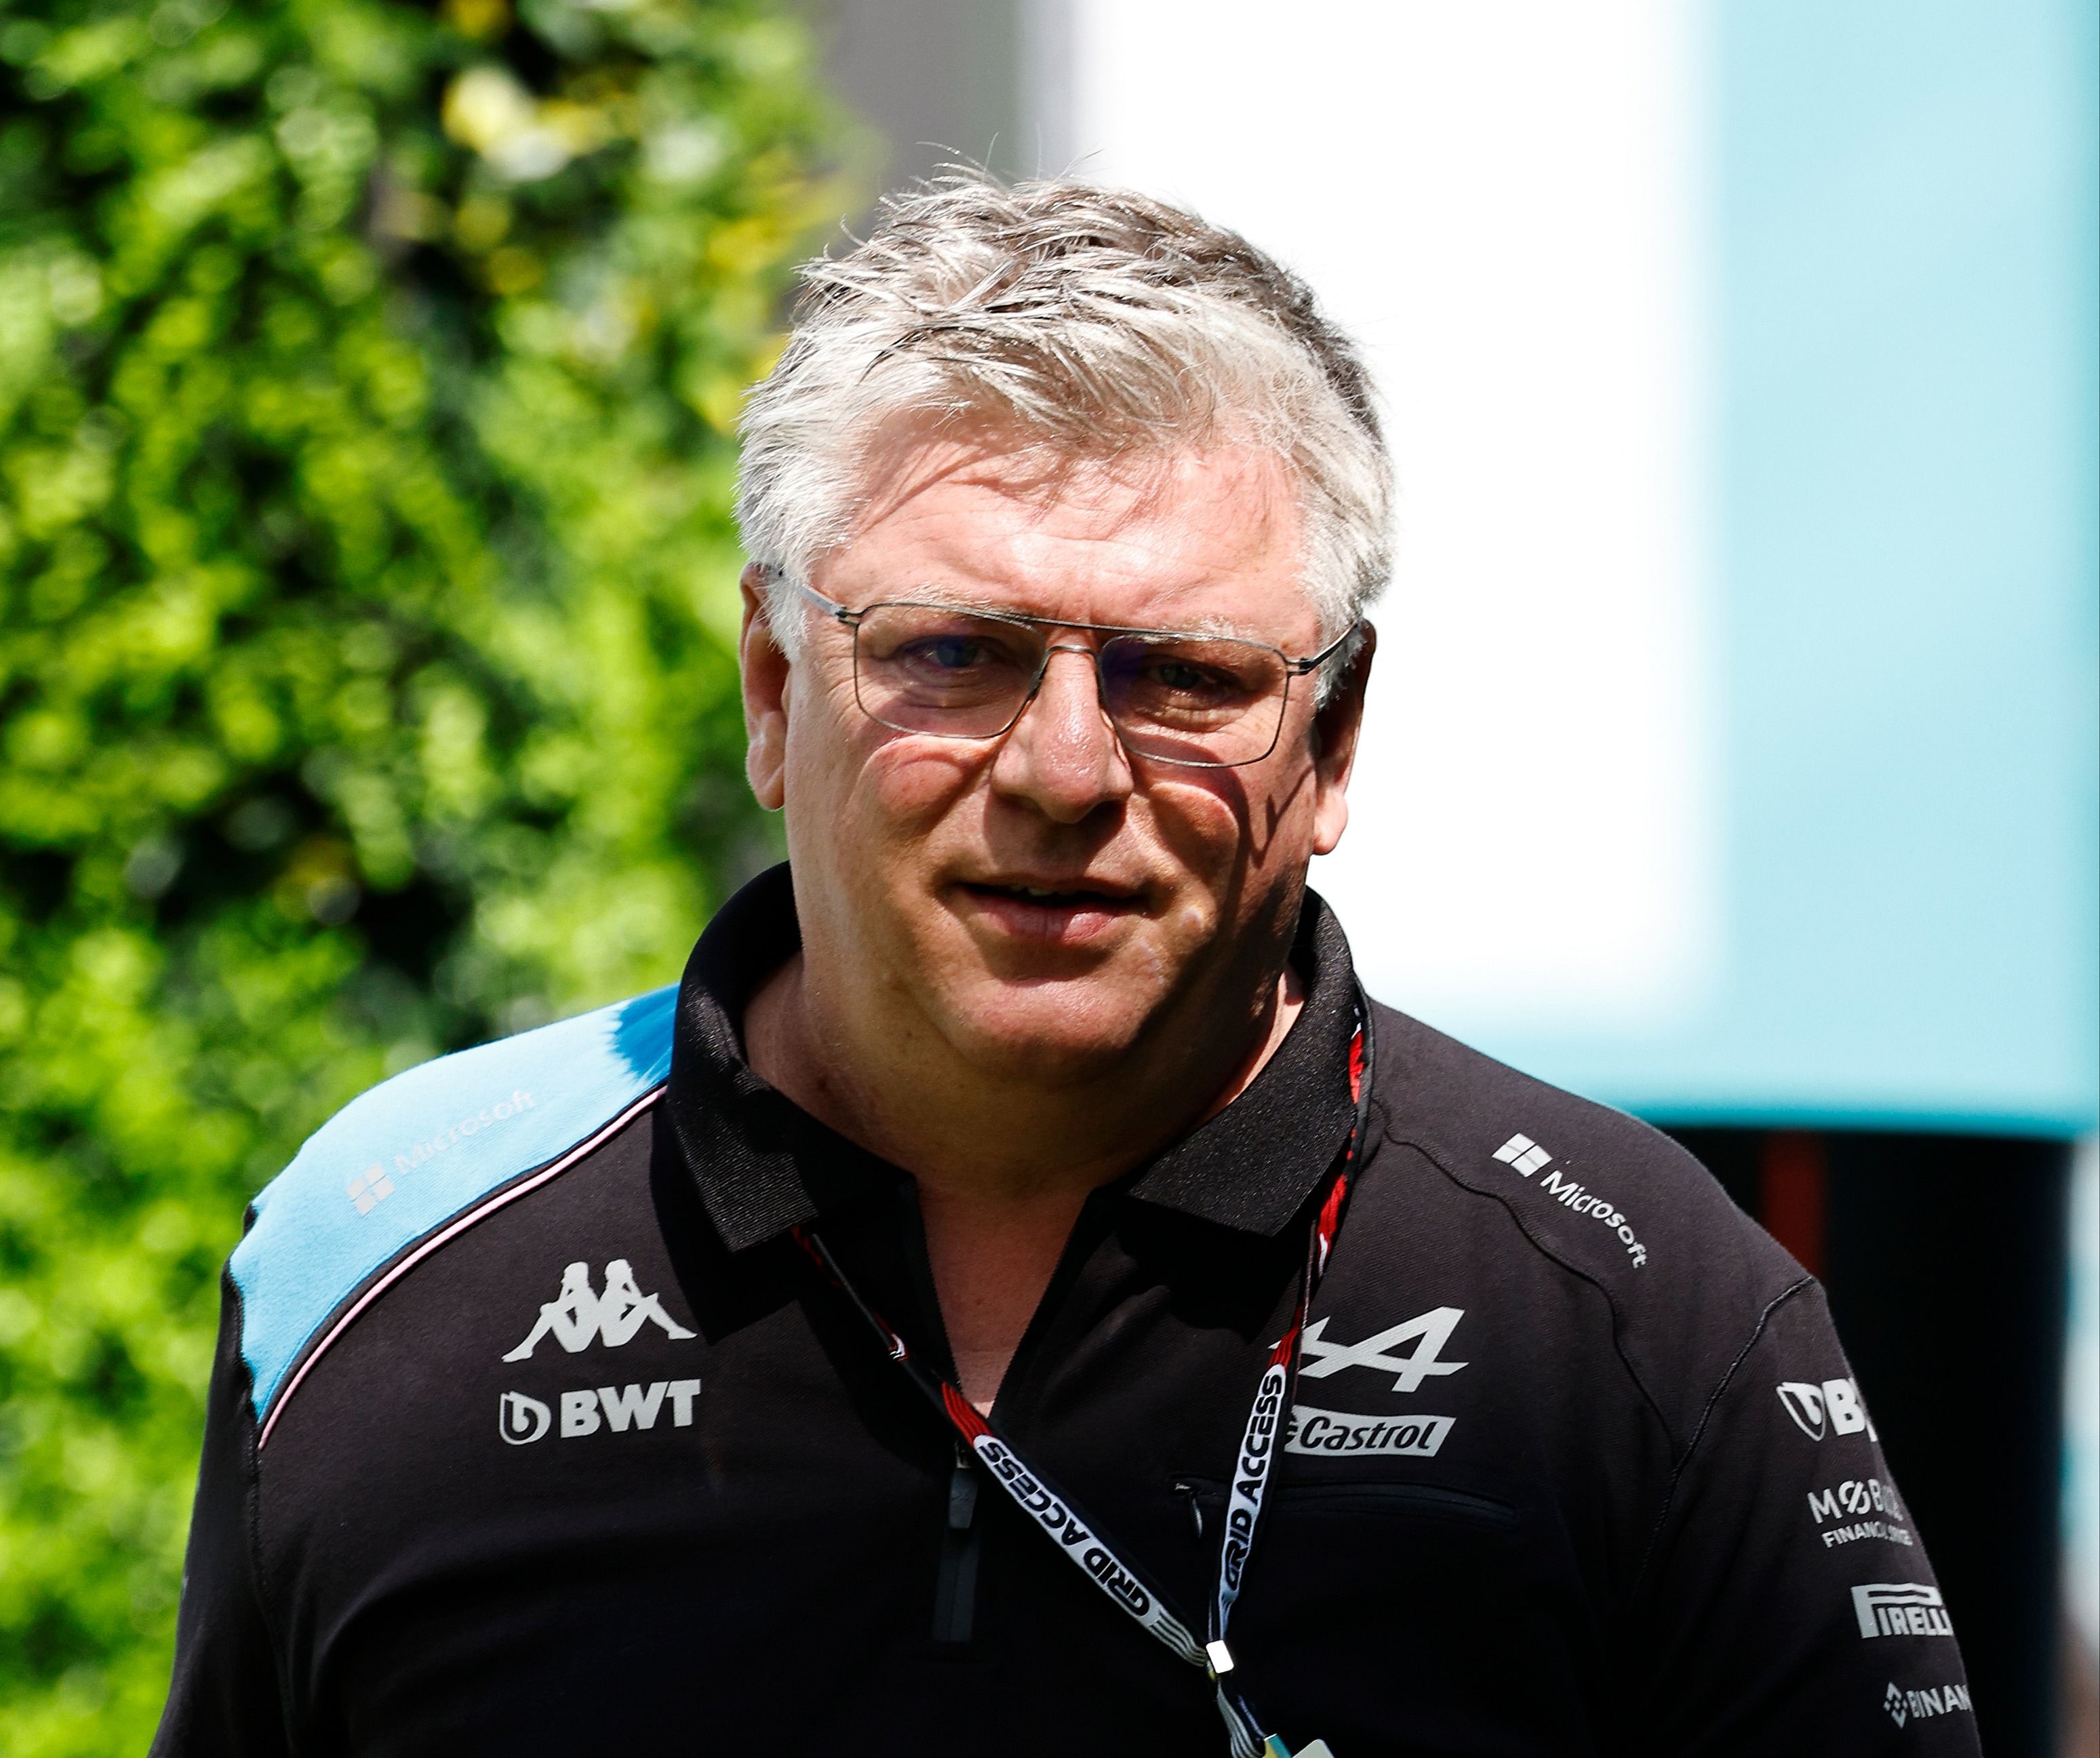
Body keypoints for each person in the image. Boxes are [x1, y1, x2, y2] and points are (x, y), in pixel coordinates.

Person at [153, 178, 1980, 1757]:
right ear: (774, 694)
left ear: (1330, 743)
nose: (1058, 772)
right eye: (947, 654)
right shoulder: (381, 1260)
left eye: (1182, 675)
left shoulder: (1639, 1318)